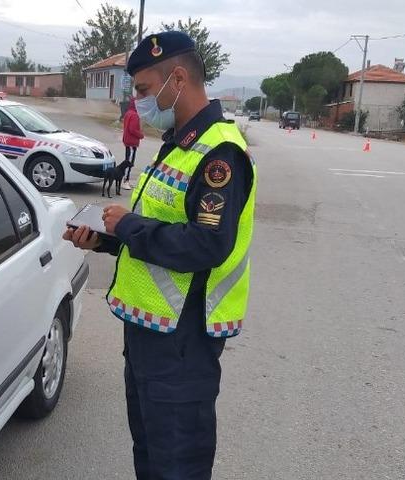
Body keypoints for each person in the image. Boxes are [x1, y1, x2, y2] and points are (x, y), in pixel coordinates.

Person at [64, 31, 256, 479]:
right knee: (151, 457)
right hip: (152, 334)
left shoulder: (219, 153)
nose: (139, 103)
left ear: (179, 78)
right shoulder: (180, 143)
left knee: (177, 465)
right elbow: (162, 228)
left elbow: (205, 244)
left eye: (144, 91)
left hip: (183, 342)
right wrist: (108, 237)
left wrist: (127, 225)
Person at [122, 97, 144, 190]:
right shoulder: (134, 115)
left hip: (127, 140)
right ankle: (125, 181)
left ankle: (126, 180)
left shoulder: (128, 113)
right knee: (129, 162)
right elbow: (132, 129)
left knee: (128, 159)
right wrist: (141, 135)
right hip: (132, 142)